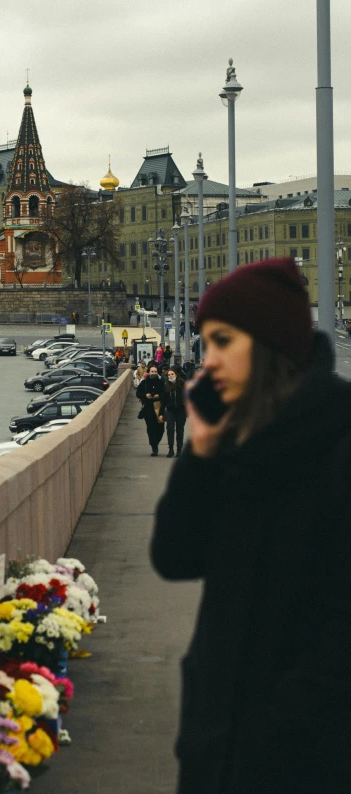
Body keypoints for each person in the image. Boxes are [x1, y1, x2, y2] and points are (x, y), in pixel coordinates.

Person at [151, 257, 351, 794]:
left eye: (222, 341)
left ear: (267, 344)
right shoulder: (240, 441)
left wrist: (279, 728)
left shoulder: (337, 446)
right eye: (204, 342)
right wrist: (200, 449)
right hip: (217, 743)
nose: (206, 360)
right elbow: (174, 556)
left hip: (301, 757)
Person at [136, 363, 164, 456]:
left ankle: (156, 442)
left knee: (160, 429)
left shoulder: (161, 382)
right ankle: (154, 447)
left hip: (159, 409)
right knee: (151, 428)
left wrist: (159, 395)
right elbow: (138, 393)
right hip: (148, 409)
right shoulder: (144, 383)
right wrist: (145, 395)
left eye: (155, 371)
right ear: (148, 372)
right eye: (152, 371)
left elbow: (165, 394)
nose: (154, 373)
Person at [160, 368, 186, 458]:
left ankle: (179, 450)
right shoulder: (166, 386)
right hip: (170, 411)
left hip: (181, 411)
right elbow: (163, 402)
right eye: (169, 375)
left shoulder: (182, 385)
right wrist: (161, 413)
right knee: (170, 429)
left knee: (180, 430)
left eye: (172, 374)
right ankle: (170, 449)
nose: (170, 376)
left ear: (176, 375)